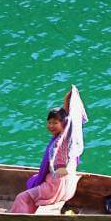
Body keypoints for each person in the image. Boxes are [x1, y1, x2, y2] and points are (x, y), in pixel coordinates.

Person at [9, 86, 88, 214]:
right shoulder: (69, 137)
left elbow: (45, 169)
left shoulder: (58, 145)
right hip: (68, 185)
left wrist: (37, 181)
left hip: (55, 188)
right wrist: (66, 100)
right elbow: (67, 116)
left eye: (54, 123)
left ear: (63, 124)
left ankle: (18, 219)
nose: (50, 126)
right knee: (34, 181)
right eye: (49, 122)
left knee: (22, 198)